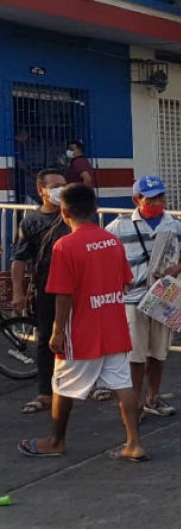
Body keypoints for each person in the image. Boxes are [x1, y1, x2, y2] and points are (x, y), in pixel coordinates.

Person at [18, 184, 146, 461]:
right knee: (122, 384)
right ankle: (134, 443)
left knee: (62, 386)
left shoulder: (65, 245)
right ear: (95, 208)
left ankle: (55, 441)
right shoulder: (112, 242)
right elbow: (125, 281)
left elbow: (63, 294)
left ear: (64, 212)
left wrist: (56, 331)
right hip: (113, 325)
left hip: (81, 330)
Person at [106, 176, 181, 418]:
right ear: (137, 199)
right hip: (133, 298)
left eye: (160, 196)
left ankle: (153, 397)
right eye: (151, 197)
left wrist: (175, 270)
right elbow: (106, 258)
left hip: (165, 296)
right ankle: (133, 402)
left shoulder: (174, 224)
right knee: (136, 355)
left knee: (159, 353)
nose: (157, 201)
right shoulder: (119, 226)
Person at [12, 168, 72, 414]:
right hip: (47, 288)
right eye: (56, 185)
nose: (62, 189)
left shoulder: (73, 216)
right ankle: (45, 393)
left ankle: (92, 385)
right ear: (41, 191)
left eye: (64, 184)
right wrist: (18, 291)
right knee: (47, 338)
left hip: (77, 289)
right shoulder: (30, 222)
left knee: (81, 336)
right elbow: (19, 259)